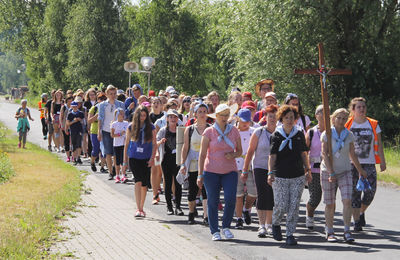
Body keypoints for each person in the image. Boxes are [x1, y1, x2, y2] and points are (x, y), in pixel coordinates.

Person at [321, 108, 367, 243]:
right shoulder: (327, 134)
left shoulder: (349, 135)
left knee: (347, 201)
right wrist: (331, 172)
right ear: (333, 118)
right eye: (339, 118)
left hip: (345, 171)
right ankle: (330, 231)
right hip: (328, 172)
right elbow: (324, 154)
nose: (341, 121)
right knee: (330, 204)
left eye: (344, 118)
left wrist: (360, 170)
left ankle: (347, 231)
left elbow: (352, 154)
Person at [268, 105, 311, 246]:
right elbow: (272, 156)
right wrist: (270, 172)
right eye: (286, 118)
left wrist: (308, 170)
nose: (289, 120)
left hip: (297, 176)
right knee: (281, 204)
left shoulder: (299, 134)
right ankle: (275, 223)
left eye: (292, 117)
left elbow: (304, 153)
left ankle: (290, 234)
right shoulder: (276, 135)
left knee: (294, 206)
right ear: (281, 119)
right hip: (280, 176)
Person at [198, 104, 242, 241]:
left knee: (230, 199)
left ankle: (226, 227)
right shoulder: (209, 132)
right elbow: (202, 154)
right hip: (211, 171)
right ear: (216, 117)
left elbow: (240, 151)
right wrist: (199, 175)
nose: (224, 118)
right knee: (212, 201)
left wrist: (233, 155)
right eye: (221, 115)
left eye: (226, 115)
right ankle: (214, 230)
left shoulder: (234, 131)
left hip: (230, 171)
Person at [345, 97, 386, 231]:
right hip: (352, 163)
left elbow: (379, 143)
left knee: (370, 192)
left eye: (363, 107)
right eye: (359, 107)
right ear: (353, 110)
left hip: (369, 163)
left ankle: (362, 211)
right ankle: (356, 221)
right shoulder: (348, 124)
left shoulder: (373, 124)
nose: (362, 109)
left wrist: (382, 160)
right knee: (355, 193)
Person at [243, 104, 278, 237]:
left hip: (275, 169)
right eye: (270, 116)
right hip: (259, 167)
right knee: (262, 195)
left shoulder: (280, 132)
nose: (272, 119)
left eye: (275, 116)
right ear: (265, 117)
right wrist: (245, 170)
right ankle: (261, 225)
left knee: (272, 196)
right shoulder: (259, 132)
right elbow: (250, 151)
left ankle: (269, 225)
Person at [180, 103, 210, 225]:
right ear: (195, 114)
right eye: (200, 111)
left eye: (204, 111)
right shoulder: (190, 129)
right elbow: (185, 147)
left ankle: (206, 215)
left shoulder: (211, 128)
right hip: (193, 163)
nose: (202, 114)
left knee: (206, 190)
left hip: (207, 163)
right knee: (192, 189)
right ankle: (191, 213)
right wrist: (182, 164)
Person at [157, 109, 184, 215]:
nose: (173, 119)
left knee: (178, 183)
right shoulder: (163, 130)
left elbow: (185, 143)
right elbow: (156, 141)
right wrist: (160, 142)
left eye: (174, 117)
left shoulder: (181, 130)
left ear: (177, 119)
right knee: (167, 183)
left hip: (178, 160)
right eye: (170, 117)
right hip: (166, 159)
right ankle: (169, 207)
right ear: (167, 119)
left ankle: (178, 206)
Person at [234, 109, 257, 229]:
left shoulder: (253, 132)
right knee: (238, 194)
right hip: (236, 165)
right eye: (243, 121)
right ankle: (238, 219)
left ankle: (246, 208)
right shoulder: (233, 131)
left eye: (247, 121)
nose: (245, 123)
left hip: (250, 165)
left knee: (253, 193)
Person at [97, 85, 125, 180]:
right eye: (111, 94)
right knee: (108, 152)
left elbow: (124, 116)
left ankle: (116, 168)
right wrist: (99, 131)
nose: (113, 95)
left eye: (114, 94)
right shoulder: (102, 105)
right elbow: (100, 118)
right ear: (107, 94)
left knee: (116, 152)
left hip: (117, 131)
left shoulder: (120, 104)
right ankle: (110, 172)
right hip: (106, 130)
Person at [305, 105, 325, 230]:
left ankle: (329, 224)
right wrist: (307, 169)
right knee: (315, 197)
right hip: (314, 169)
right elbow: (305, 152)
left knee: (329, 198)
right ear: (316, 115)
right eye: (321, 112)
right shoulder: (311, 132)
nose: (323, 115)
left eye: (326, 112)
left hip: (329, 170)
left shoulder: (332, 131)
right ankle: (310, 215)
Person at [88, 93, 107, 172]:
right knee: (95, 149)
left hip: (104, 130)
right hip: (95, 130)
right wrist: (96, 116)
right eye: (100, 99)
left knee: (103, 150)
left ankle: (102, 167)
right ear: (97, 100)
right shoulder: (94, 108)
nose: (102, 101)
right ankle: (92, 162)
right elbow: (89, 120)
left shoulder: (106, 108)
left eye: (103, 99)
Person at [111, 108, 129, 183]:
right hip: (117, 144)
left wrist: (127, 138)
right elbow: (112, 135)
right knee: (117, 161)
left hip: (124, 144)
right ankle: (117, 175)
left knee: (124, 160)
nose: (123, 115)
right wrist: (120, 134)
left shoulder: (126, 123)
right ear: (117, 115)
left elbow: (128, 133)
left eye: (123, 113)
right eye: (121, 113)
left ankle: (123, 175)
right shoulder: (114, 124)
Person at [66, 101, 85, 165]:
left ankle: (78, 157)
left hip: (79, 130)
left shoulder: (80, 113)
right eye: (73, 106)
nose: (74, 108)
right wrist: (74, 121)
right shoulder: (70, 114)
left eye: (75, 106)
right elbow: (68, 123)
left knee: (79, 144)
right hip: (73, 130)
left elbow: (83, 121)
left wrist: (79, 120)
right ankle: (74, 158)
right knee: (74, 144)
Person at [60, 95, 73, 162]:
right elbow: (61, 116)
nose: (70, 101)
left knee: (73, 141)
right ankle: (68, 156)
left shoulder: (74, 106)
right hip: (65, 126)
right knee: (67, 141)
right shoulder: (64, 107)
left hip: (73, 126)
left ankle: (73, 155)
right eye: (69, 100)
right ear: (67, 100)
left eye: (71, 100)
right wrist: (62, 125)